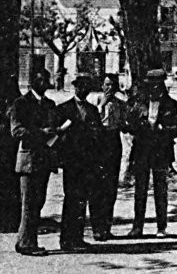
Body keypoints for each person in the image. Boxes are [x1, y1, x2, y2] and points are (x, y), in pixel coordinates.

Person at [127, 69, 177, 238]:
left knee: (160, 190)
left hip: (161, 152)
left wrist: (163, 130)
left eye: (158, 86)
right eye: (151, 86)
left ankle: (161, 227)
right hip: (142, 151)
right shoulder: (139, 104)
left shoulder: (171, 104)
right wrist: (138, 126)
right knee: (140, 190)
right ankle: (137, 227)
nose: (155, 89)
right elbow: (130, 125)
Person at [9, 68, 57, 257]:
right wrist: (40, 133)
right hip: (29, 160)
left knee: (39, 202)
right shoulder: (20, 104)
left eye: (47, 79)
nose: (45, 83)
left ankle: (27, 240)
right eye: (41, 80)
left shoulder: (50, 104)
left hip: (44, 160)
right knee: (28, 203)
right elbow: (16, 130)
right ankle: (27, 243)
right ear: (33, 82)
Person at [55, 74, 103, 251]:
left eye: (86, 88)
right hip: (71, 161)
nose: (82, 90)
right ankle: (66, 239)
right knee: (71, 198)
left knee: (83, 199)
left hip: (88, 162)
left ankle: (78, 237)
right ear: (75, 88)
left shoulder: (92, 110)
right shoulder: (63, 109)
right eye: (79, 87)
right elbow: (57, 136)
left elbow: (99, 136)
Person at [91, 73, 126, 241]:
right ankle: (97, 227)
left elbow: (125, 124)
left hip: (113, 141)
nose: (109, 88)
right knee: (98, 186)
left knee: (111, 187)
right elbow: (92, 122)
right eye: (106, 84)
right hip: (99, 142)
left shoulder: (120, 103)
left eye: (112, 84)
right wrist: (101, 106)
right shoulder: (95, 101)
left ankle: (107, 226)